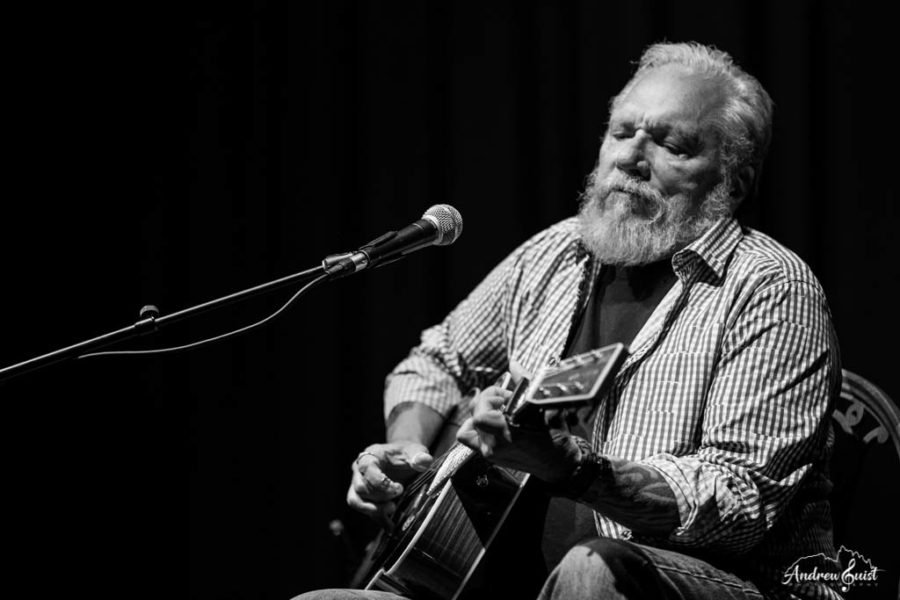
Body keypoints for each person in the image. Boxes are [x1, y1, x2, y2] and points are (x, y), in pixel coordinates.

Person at [317, 41, 842, 600]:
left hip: (717, 582)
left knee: (593, 571)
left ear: (732, 183)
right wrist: (409, 453)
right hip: (475, 576)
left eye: (671, 144)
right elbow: (438, 359)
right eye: (621, 132)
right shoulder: (556, 253)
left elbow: (738, 500)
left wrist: (572, 470)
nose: (631, 157)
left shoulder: (770, 287)